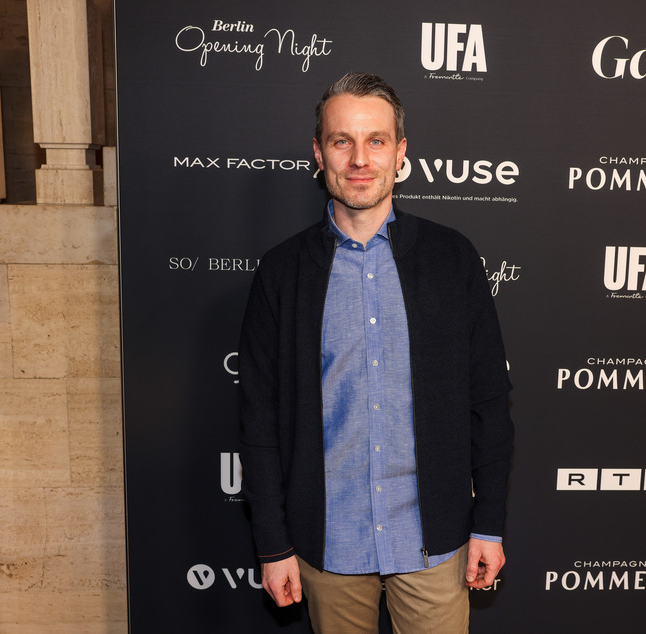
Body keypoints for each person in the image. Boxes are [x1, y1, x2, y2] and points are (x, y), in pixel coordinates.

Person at [239, 71, 514, 633]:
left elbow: (489, 400)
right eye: (343, 141)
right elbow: (259, 421)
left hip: (433, 545)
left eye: (376, 140)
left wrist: (488, 524)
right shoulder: (281, 273)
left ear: (400, 152)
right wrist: (272, 545)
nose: (359, 158)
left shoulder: (452, 259)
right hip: (328, 547)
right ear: (319, 153)